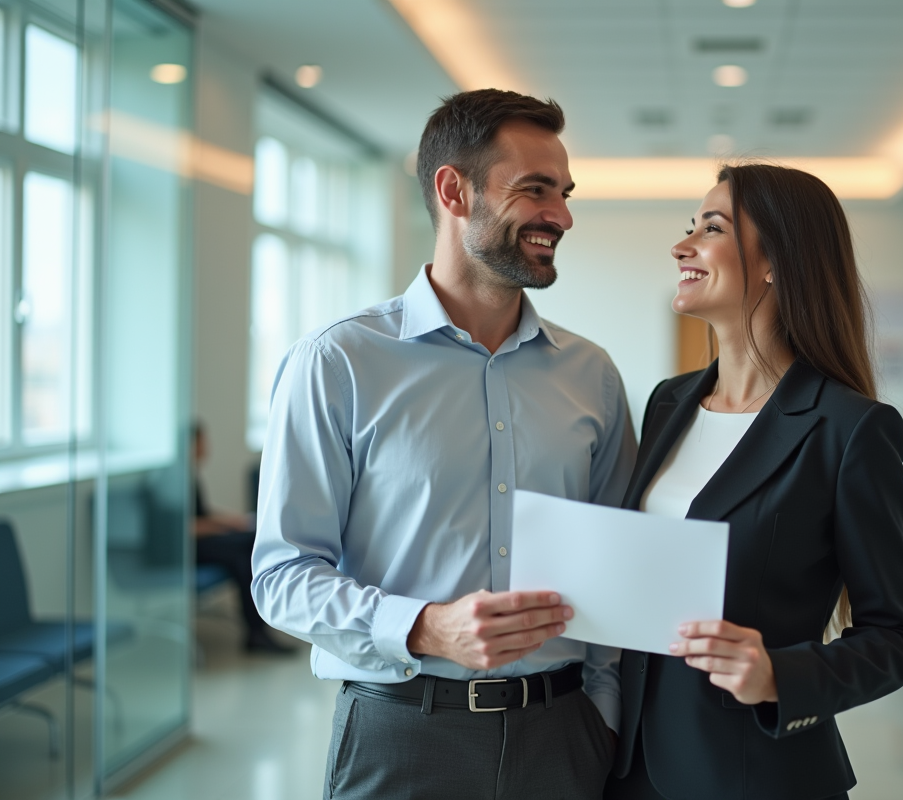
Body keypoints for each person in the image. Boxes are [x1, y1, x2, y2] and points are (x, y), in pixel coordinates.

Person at [251, 90, 637, 799]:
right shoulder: (339, 362)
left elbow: (615, 567)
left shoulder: (593, 377)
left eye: (564, 192)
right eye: (534, 190)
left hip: (563, 737)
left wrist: (603, 719)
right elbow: (280, 579)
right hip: (401, 734)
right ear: (453, 190)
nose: (562, 215)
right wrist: (425, 627)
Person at [605, 164, 903, 800]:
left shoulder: (850, 428)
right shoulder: (668, 403)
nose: (683, 245)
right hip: (633, 762)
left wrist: (780, 674)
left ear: (777, 261)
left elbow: (896, 637)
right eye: (690, 227)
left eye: (713, 227)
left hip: (754, 773)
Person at [191, 422, 293, 654]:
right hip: (186, 551)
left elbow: (203, 514)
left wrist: (235, 522)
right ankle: (257, 632)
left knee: (252, 538)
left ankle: (262, 626)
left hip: (204, 542)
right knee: (246, 553)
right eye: (201, 442)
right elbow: (182, 528)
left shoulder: (189, 474)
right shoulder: (172, 480)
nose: (206, 448)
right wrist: (224, 528)